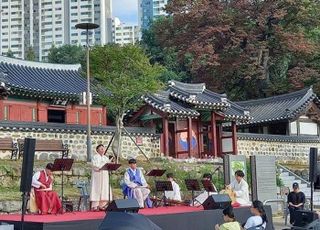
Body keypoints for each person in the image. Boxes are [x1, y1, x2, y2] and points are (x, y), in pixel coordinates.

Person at [90, 144, 112, 211]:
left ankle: (103, 205)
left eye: (103, 148)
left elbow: (108, 165)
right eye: (101, 148)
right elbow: (94, 165)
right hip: (98, 174)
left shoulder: (105, 158)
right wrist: (102, 165)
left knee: (104, 189)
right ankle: (95, 206)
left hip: (105, 174)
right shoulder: (95, 157)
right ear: (97, 150)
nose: (103, 150)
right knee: (97, 189)